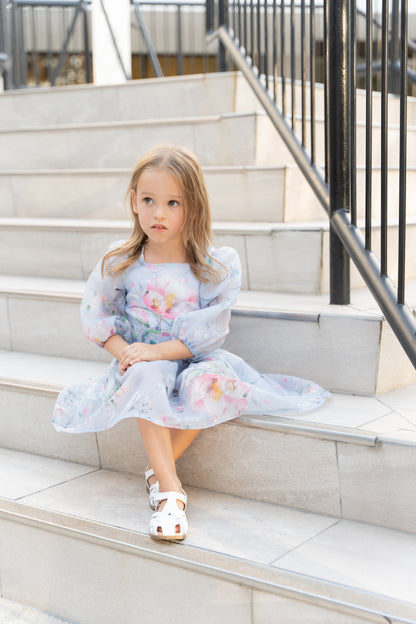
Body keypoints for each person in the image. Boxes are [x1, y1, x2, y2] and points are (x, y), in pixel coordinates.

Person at [52, 144, 330, 542]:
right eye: (148, 200)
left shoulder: (214, 265)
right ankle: (170, 491)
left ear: (193, 208)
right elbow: (97, 317)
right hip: (144, 361)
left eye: (172, 202)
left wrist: (160, 351)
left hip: (191, 356)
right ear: (133, 202)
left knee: (210, 384)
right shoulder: (121, 262)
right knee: (147, 377)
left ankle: (157, 468)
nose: (158, 213)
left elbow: (209, 331)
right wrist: (128, 355)